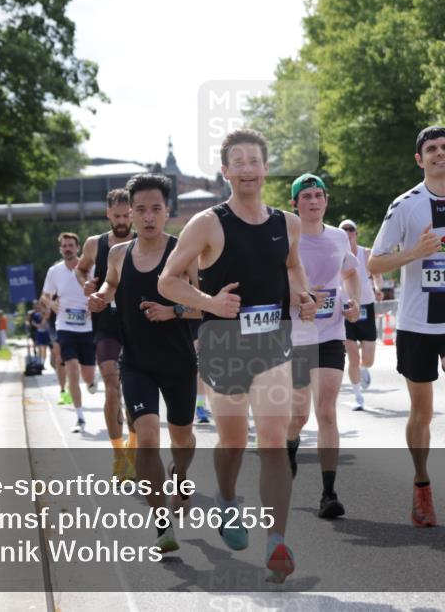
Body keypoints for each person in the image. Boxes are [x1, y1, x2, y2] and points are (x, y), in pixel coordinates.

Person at [158, 129, 317, 583]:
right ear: (225, 170)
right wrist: (210, 304)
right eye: (238, 162)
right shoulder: (207, 222)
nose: (248, 168)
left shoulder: (287, 223)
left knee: (272, 437)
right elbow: (168, 281)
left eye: (255, 161)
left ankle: (277, 540)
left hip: (273, 341)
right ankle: (228, 501)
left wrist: (303, 295)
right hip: (223, 343)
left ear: (266, 169)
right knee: (231, 442)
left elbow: (290, 267)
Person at [368, 125, 445, 533]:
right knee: (421, 413)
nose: (441, 154)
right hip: (416, 324)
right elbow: (375, 263)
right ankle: (422, 483)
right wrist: (415, 253)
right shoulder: (405, 205)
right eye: (432, 149)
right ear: (420, 160)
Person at [88, 173, 201, 554]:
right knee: (148, 438)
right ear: (130, 215)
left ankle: (181, 476)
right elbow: (110, 284)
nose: (148, 217)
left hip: (180, 361)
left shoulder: (183, 253)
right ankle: (161, 523)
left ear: (168, 211)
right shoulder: (119, 254)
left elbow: (205, 306)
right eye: (141, 210)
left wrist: (173, 311)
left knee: (182, 438)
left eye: (156, 209)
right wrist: (100, 298)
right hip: (135, 361)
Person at [285, 174, 360, 519]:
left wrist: (355, 302)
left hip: (330, 332)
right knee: (299, 414)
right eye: (307, 197)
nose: (314, 202)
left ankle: (329, 493)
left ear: (326, 201)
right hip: (296, 336)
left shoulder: (338, 238)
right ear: (295, 204)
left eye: (319, 196)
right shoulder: (287, 238)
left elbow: (351, 273)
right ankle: (288, 449)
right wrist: (298, 299)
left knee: (326, 409)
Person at [77, 188, 137, 480]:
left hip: (138, 323)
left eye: (127, 215)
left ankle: (135, 450)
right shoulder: (94, 244)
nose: (123, 221)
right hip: (106, 323)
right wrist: (86, 285)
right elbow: (81, 269)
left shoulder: (145, 242)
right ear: (108, 215)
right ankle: (118, 455)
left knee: (136, 390)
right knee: (112, 384)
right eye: (117, 216)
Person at [42, 232, 97, 431]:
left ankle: (91, 381)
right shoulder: (54, 271)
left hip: (88, 327)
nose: (67, 248)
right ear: (60, 249)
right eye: (64, 246)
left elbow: (101, 291)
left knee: (89, 378)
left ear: (77, 248)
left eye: (70, 245)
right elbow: (45, 296)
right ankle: (80, 416)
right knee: (72, 368)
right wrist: (51, 304)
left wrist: (95, 304)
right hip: (65, 326)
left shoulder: (89, 268)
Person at [339, 219, 381, 411]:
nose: (348, 232)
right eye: (344, 230)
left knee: (369, 359)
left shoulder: (366, 253)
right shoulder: (335, 254)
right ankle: (358, 396)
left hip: (366, 306)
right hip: (346, 308)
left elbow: (377, 273)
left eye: (351, 229)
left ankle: (364, 369)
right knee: (353, 357)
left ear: (356, 233)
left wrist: (378, 288)